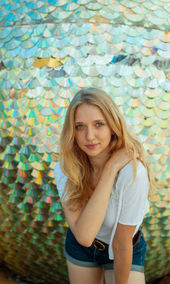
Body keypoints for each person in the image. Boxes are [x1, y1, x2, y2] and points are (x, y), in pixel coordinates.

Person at [54, 87, 153, 284]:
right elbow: (84, 236)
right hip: (81, 247)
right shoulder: (66, 167)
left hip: (125, 246)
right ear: (72, 131)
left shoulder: (133, 173)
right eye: (80, 126)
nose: (90, 136)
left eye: (99, 124)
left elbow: (121, 241)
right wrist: (110, 170)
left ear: (113, 126)